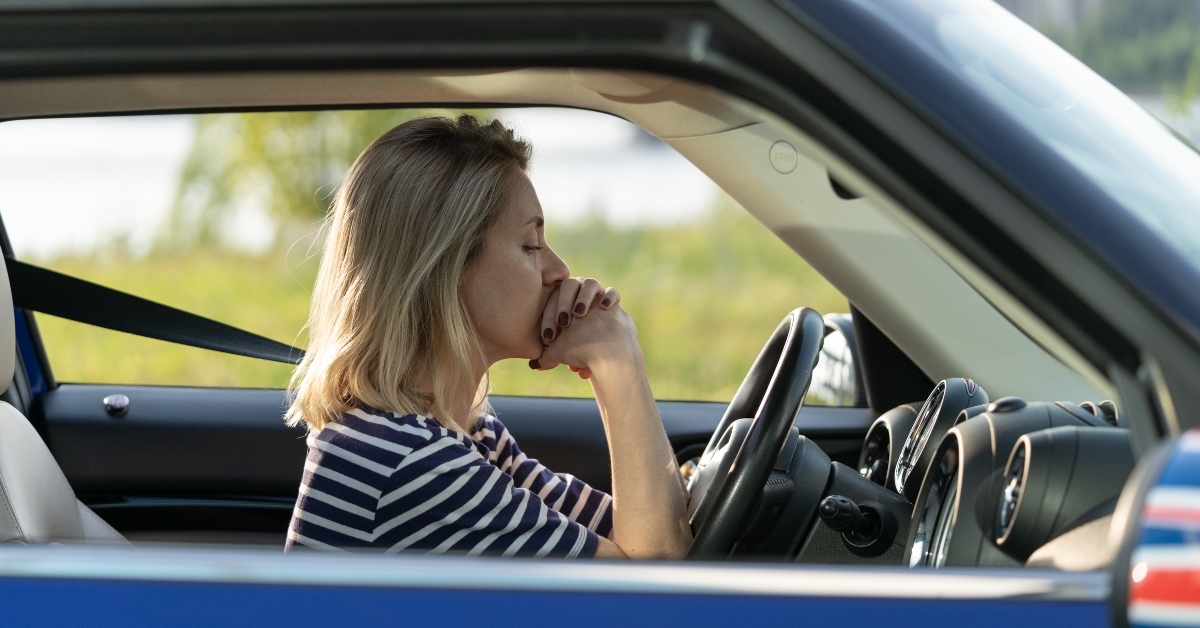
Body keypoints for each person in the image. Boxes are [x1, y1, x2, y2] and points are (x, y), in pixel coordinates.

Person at [284, 114, 692, 559]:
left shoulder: (463, 433)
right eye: (531, 246)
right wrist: (617, 361)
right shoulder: (413, 465)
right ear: (448, 268)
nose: (558, 270)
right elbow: (650, 585)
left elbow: (629, 528)